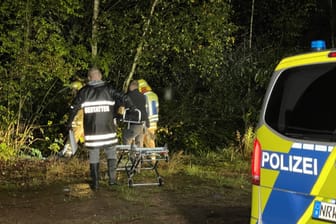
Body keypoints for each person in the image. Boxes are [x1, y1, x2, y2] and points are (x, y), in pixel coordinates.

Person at [67, 68, 134, 190]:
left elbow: (74, 107)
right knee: (111, 154)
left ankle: (96, 183)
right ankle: (112, 180)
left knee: (94, 156)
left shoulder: (84, 91)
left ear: (89, 78)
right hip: (108, 132)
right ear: (101, 76)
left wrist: (69, 122)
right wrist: (130, 110)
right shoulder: (109, 89)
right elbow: (125, 98)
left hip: (92, 133)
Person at [122, 80, 149, 147]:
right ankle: (138, 157)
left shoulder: (128, 96)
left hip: (133, 122)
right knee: (139, 143)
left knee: (126, 137)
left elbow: (122, 107)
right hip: (143, 123)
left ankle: (128, 155)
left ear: (131, 86)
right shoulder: (143, 96)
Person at [138, 79, 159, 148]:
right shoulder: (154, 95)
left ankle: (140, 158)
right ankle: (153, 158)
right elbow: (157, 109)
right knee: (150, 142)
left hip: (146, 122)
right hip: (153, 122)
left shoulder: (143, 97)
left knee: (140, 140)